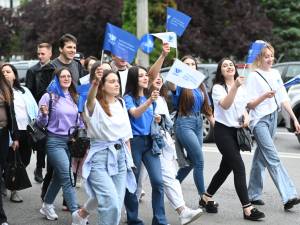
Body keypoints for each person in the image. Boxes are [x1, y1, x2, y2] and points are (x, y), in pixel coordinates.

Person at [201, 58, 265, 221]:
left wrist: (246, 116)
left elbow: (244, 106)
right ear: (220, 71)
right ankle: (247, 208)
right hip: (223, 133)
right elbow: (226, 105)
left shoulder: (242, 87)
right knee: (239, 167)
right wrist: (235, 87)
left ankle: (206, 198)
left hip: (237, 132)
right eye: (224, 65)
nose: (229, 67)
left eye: (231, 64)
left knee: (225, 170)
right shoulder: (217, 88)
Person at [246, 42, 300, 210]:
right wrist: (264, 96)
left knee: (260, 158)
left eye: (271, 56)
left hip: (273, 119)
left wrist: (294, 119)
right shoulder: (253, 76)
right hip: (259, 121)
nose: (270, 59)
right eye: (266, 56)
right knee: (273, 157)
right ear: (259, 58)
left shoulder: (276, 73)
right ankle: (289, 195)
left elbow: (284, 98)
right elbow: (250, 105)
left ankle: (252, 194)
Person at [77, 69, 135, 225]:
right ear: (102, 86)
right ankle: (81, 215)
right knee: (111, 204)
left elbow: (126, 133)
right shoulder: (94, 104)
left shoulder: (121, 102)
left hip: (121, 156)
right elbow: (90, 100)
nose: (116, 84)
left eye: (117, 81)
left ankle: (80, 215)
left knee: (116, 204)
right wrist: (94, 84)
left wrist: (129, 159)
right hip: (100, 157)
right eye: (111, 81)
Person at [149, 74, 203, 225]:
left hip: (160, 143)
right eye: (155, 77)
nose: (159, 79)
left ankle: (182, 211)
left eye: (160, 77)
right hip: (142, 143)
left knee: (168, 177)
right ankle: (129, 213)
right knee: (136, 181)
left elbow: (166, 123)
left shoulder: (161, 99)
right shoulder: (143, 98)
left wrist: (162, 123)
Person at [36, 67, 87, 225]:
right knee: (67, 176)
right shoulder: (49, 96)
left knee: (59, 177)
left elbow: (78, 121)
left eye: (68, 76)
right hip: (53, 141)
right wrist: (44, 115)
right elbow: (40, 123)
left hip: (70, 142)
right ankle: (76, 214)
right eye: (62, 76)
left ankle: (47, 204)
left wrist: (83, 125)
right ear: (56, 79)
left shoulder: (74, 96)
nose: (66, 78)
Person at [124, 66, 168, 225]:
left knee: (158, 182)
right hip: (134, 142)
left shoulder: (150, 97)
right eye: (140, 76)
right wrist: (150, 101)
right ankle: (133, 218)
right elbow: (135, 113)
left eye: (145, 75)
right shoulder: (128, 97)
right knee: (133, 183)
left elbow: (148, 117)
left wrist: (155, 119)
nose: (145, 78)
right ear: (134, 79)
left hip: (150, 142)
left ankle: (160, 220)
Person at [167, 55, 214, 207]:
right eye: (186, 64)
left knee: (193, 162)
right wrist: (175, 70)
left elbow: (207, 108)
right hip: (184, 123)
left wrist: (215, 125)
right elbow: (170, 85)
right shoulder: (179, 83)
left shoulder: (199, 84)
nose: (190, 66)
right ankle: (204, 197)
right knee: (199, 160)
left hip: (199, 122)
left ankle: (172, 185)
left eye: (192, 64)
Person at [1, 64, 38, 203]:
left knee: (26, 160)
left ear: (14, 75)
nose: (5, 73)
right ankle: (14, 190)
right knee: (12, 162)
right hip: (10, 132)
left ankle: (6, 180)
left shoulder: (24, 91)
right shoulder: (1, 92)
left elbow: (34, 109)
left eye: (8, 71)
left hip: (26, 131)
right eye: (2, 71)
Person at [25, 43, 53, 183]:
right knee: (41, 141)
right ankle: (39, 168)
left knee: (51, 142)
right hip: (38, 111)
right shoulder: (32, 70)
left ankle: (49, 170)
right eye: (39, 54)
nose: (40, 56)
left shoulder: (55, 70)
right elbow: (29, 93)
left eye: (43, 53)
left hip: (53, 111)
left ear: (50, 54)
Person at [0, 70, 19, 225]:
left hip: (3, 134)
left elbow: (11, 113)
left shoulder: (5, 86)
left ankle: (1, 218)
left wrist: (15, 136)